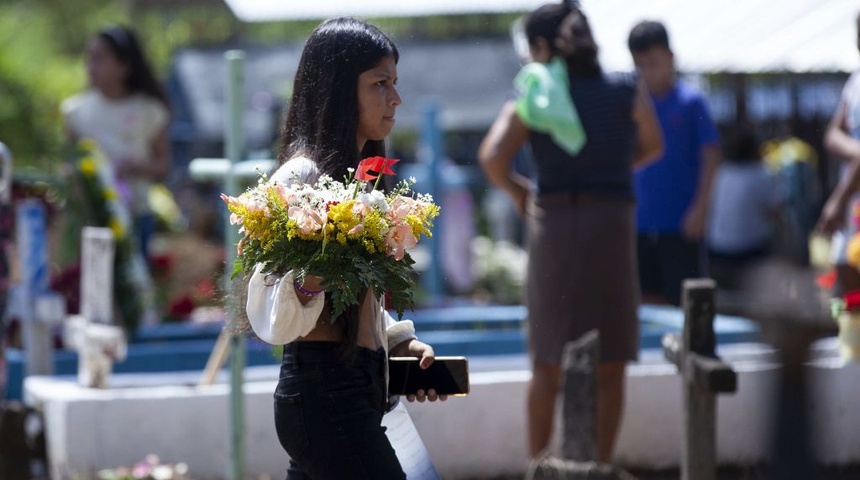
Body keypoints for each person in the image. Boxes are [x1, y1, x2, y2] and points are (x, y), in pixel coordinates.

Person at [244, 18, 445, 480]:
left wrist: (401, 344)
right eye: (380, 83)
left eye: (395, 83)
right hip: (323, 396)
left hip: (355, 391)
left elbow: (358, 301)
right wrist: (313, 277)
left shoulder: (362, 181)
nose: (395, 99)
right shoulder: (299, 179)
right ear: (338, 90)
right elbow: (270, 301)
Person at [478, 3, 662, 463]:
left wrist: (524, 196)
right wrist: (611, 171)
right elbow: (653, 145)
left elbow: (492, 157)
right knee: (613, 359)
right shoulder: (625, 87)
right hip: (612, 225)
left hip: (554, 227)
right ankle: (597, 469)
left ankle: (539, 466)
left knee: (547, 359)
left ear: (541, 47)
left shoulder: (537, 93)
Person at [627, 20, 722, 306]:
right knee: (645, 302)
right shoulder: (632, 102)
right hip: (640, 222)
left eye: (653, 62)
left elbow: (711, 155)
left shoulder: (692, 102)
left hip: (681, 223)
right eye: (640, 64)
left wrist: (701, 207)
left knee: (686, 302)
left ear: (670, 57)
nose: (647, 71)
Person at [62, 25, 171, 259]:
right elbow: (68, 163)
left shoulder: (149, 110)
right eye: (89, 57)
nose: (90, 65)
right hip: (90, 218)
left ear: (124, 66)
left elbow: (163, 165)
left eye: (99, 58)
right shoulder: (76, 111)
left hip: (136, 215)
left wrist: (135, 167)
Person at [817, 12, 860, 295]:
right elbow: (832, 133)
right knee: (846, 278)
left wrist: (837, 202)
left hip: (850, 200)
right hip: (853, 200)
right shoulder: (855, 81)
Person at [706, 128, 781, 290]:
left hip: (716, 249)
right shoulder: (760, 174)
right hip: (748, 254)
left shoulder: (722, 172)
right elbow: (776, 213)